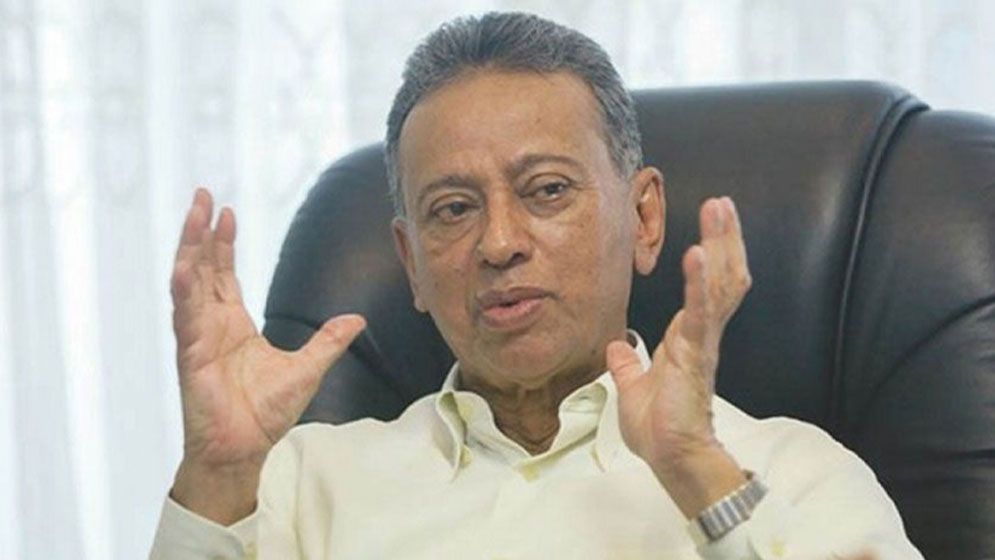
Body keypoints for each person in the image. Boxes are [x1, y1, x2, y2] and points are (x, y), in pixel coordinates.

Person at [150, 12, 922, 560]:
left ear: (644, 218)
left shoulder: (788, 470)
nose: (499, 243)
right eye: (453, 209)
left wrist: (695, 470)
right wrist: (218, 475)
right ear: (411, 262)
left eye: (546, 190)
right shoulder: (299, 484)